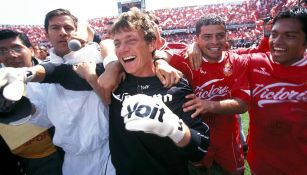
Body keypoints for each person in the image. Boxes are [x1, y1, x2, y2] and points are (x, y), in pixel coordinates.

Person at [2, 8, 210, 175]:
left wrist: (174, 128)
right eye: (118, 43)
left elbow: (199, 150)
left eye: (131, 40)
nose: (123, 49)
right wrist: (28, 73)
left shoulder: (173, 83)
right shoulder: (113, 76)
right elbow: (59, 72)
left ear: (152, 43)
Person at [168, 14, 250, 174]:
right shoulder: (186, 58)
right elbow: (157, 53)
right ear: (197, 38)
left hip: (228, 143)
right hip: (196, 139)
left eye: (220, 35)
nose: (214, 42)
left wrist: (208, 105)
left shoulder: (238, 61)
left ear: (226, 36)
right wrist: (161, 63)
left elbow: (243, 104)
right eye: (207, 37)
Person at [245, 7, 307, 174]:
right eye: (274, 34)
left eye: (290, 36)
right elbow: (218, 56)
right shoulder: (254, 63)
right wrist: (165, 58)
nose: (277, 41)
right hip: (261, 166)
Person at [0, 29, 63, 175]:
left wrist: (26, 108)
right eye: (2, 51)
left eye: (16, 48)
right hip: (21, 158)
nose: (10, 55)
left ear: (32, 50)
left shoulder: (55, 73)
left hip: (59, 152)